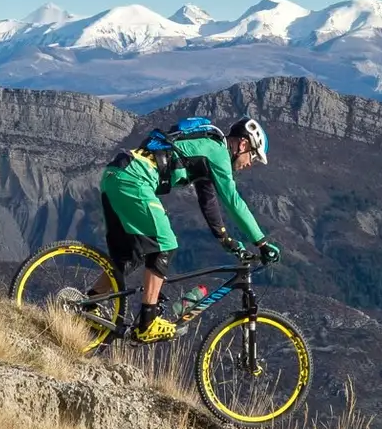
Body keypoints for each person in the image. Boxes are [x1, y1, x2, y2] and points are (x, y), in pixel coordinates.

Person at [97, 117, 281, 342]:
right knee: (166, 243)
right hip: (135, 180)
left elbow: (209, 203)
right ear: (242, 144)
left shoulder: (207, 149)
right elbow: (233, 201)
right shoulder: (218, 152)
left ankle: (89, 304)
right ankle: (148, 322)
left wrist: (227, 241)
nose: (250, 162)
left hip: (114, 175)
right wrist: (261, 242)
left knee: (128, 259)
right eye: (252, 155)